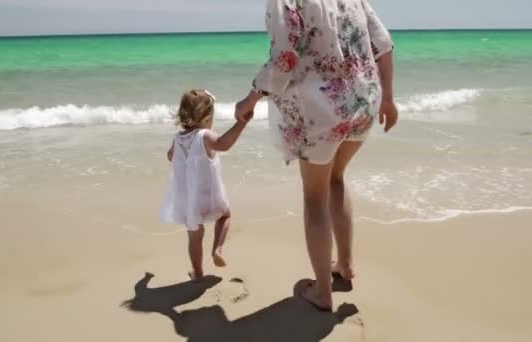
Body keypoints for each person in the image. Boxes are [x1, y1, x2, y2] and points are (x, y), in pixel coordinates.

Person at [235, 0, 398, 311]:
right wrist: (388, 99)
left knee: (314, 197)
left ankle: (323, 293)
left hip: (320, 111)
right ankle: (345, 266)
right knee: (336, 178)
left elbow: (284, 59)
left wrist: (250, 98)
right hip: (363, 101)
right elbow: (384, 44)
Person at [161, 89, 252, 280]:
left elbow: (170, 156)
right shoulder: (204, 136)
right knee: (225, 216)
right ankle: (217, 250)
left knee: (194, 236)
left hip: (188, 200)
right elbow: (223, 144)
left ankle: (198, 272)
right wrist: (240, 124)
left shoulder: (178, 138)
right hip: (209, 194)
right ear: (207, 117)